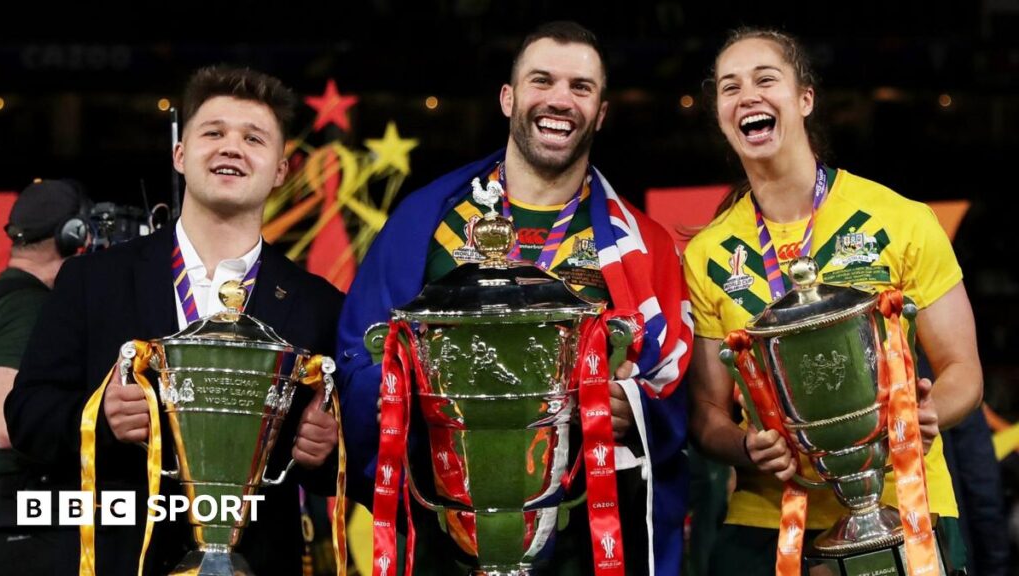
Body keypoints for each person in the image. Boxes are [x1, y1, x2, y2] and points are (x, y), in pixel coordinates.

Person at [337, 20, 694, 576]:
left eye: (581, 88)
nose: (559, 100)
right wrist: (398, 393)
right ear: (508, 98)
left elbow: (675, 385)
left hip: (583, 537)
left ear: (600, 113)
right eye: (541, 81)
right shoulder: (425, 224)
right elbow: (358, 349)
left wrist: (636, 412)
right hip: (445, 529)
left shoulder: (641, 246)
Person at [5, 66, 344, 575]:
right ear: (180, 155)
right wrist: (99, 418)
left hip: (260, 561)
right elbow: (27, 414)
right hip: (120, 558)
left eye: (254, 138)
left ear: (280, 169)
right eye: (213, 133)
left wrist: (325, 451)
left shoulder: (318, 304)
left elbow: (341, 454)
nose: (231, 147)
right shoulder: (92, 281)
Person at [683, 27, 983, 575]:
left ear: (804, 99)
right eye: (730, 87)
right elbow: (705, 413)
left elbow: (962, 368)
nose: (747, 94)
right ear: (722, 115)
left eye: (765, 79)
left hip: (905, 506)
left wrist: (929, 411)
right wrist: (745, 447)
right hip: (767, 521)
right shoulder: (707, 254)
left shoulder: (902, 219)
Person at [0, 179, 89, 573]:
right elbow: (4, 424)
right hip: (18, 515)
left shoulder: (4, 296)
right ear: (73, 236)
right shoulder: (31, 308)